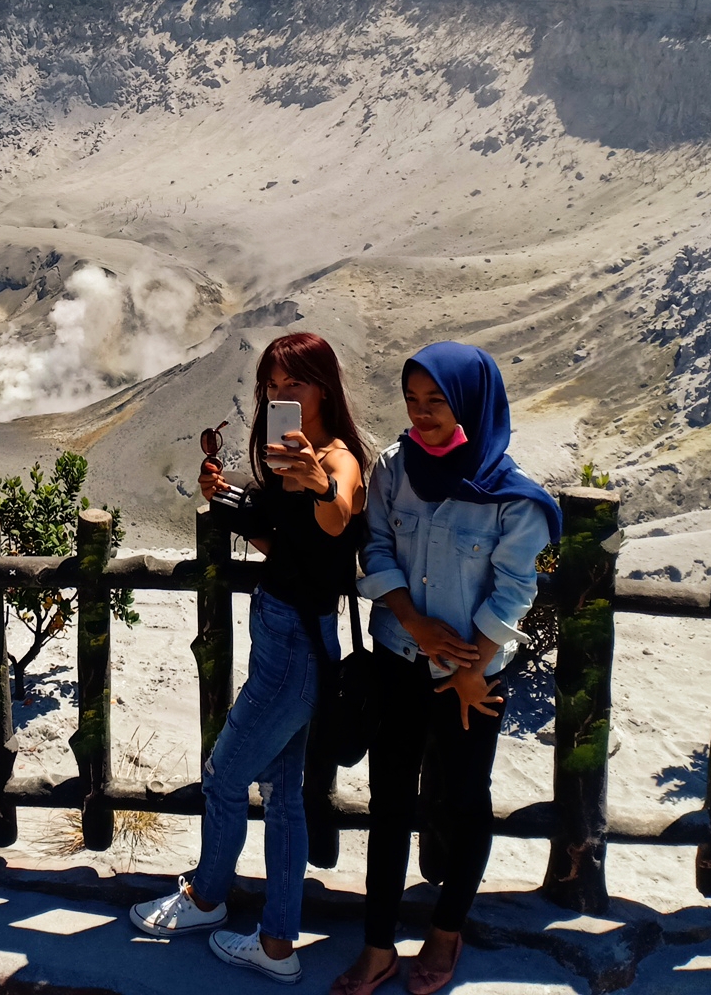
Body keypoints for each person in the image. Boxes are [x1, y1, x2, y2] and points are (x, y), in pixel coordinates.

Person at [130, 331, 368, 985]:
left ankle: (206, 899)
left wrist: (324, 484)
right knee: (284, 798)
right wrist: (224, 494)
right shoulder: (289, 458)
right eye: (273, 382)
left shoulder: (337, 457)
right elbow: (284, 540)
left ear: (326, 387)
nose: (282, 394)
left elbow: (338, 512)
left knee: (224, 773)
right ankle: (277, 944)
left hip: (293, 648)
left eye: (297, 383)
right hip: (296, 637)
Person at [330, 342, 560, 995]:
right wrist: (415, 621)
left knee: (462, 800)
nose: (422, 414)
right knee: (390, 802)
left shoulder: (513, 498)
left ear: (470, 404)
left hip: (472, 679)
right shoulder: (394, 471)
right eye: (412, 400)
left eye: (438, 401)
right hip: (401, 661)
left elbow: (515, 590)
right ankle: (377, 947)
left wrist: (469, 670)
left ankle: (445, 930)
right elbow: (375, 546)